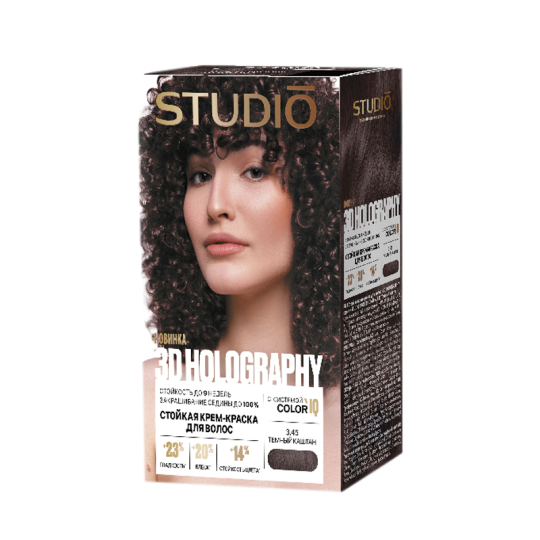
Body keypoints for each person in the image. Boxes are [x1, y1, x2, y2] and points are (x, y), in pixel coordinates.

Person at [140, 75, 341, 488]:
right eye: (200, 176)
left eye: (253, 170)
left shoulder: (362, 413)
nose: (216, 205)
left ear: (315, 192)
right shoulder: (151, 397)